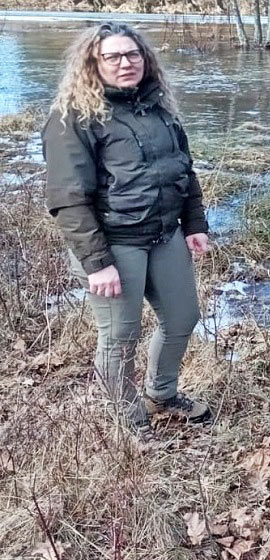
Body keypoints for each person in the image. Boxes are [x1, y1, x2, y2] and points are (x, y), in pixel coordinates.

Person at [42, 22, 213, 439]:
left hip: (164, 235)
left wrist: (194, 224)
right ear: (93, 63)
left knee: (183, 318)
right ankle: (127, 416)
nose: (126, 63)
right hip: (114, 244)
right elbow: (68, 199)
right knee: (120, 336)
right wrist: (97, 263)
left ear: (145, 58)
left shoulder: (157, 108)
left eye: (133, 54)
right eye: (113, 56)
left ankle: (162, 394)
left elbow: (183, 170)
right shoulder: (72, 118)